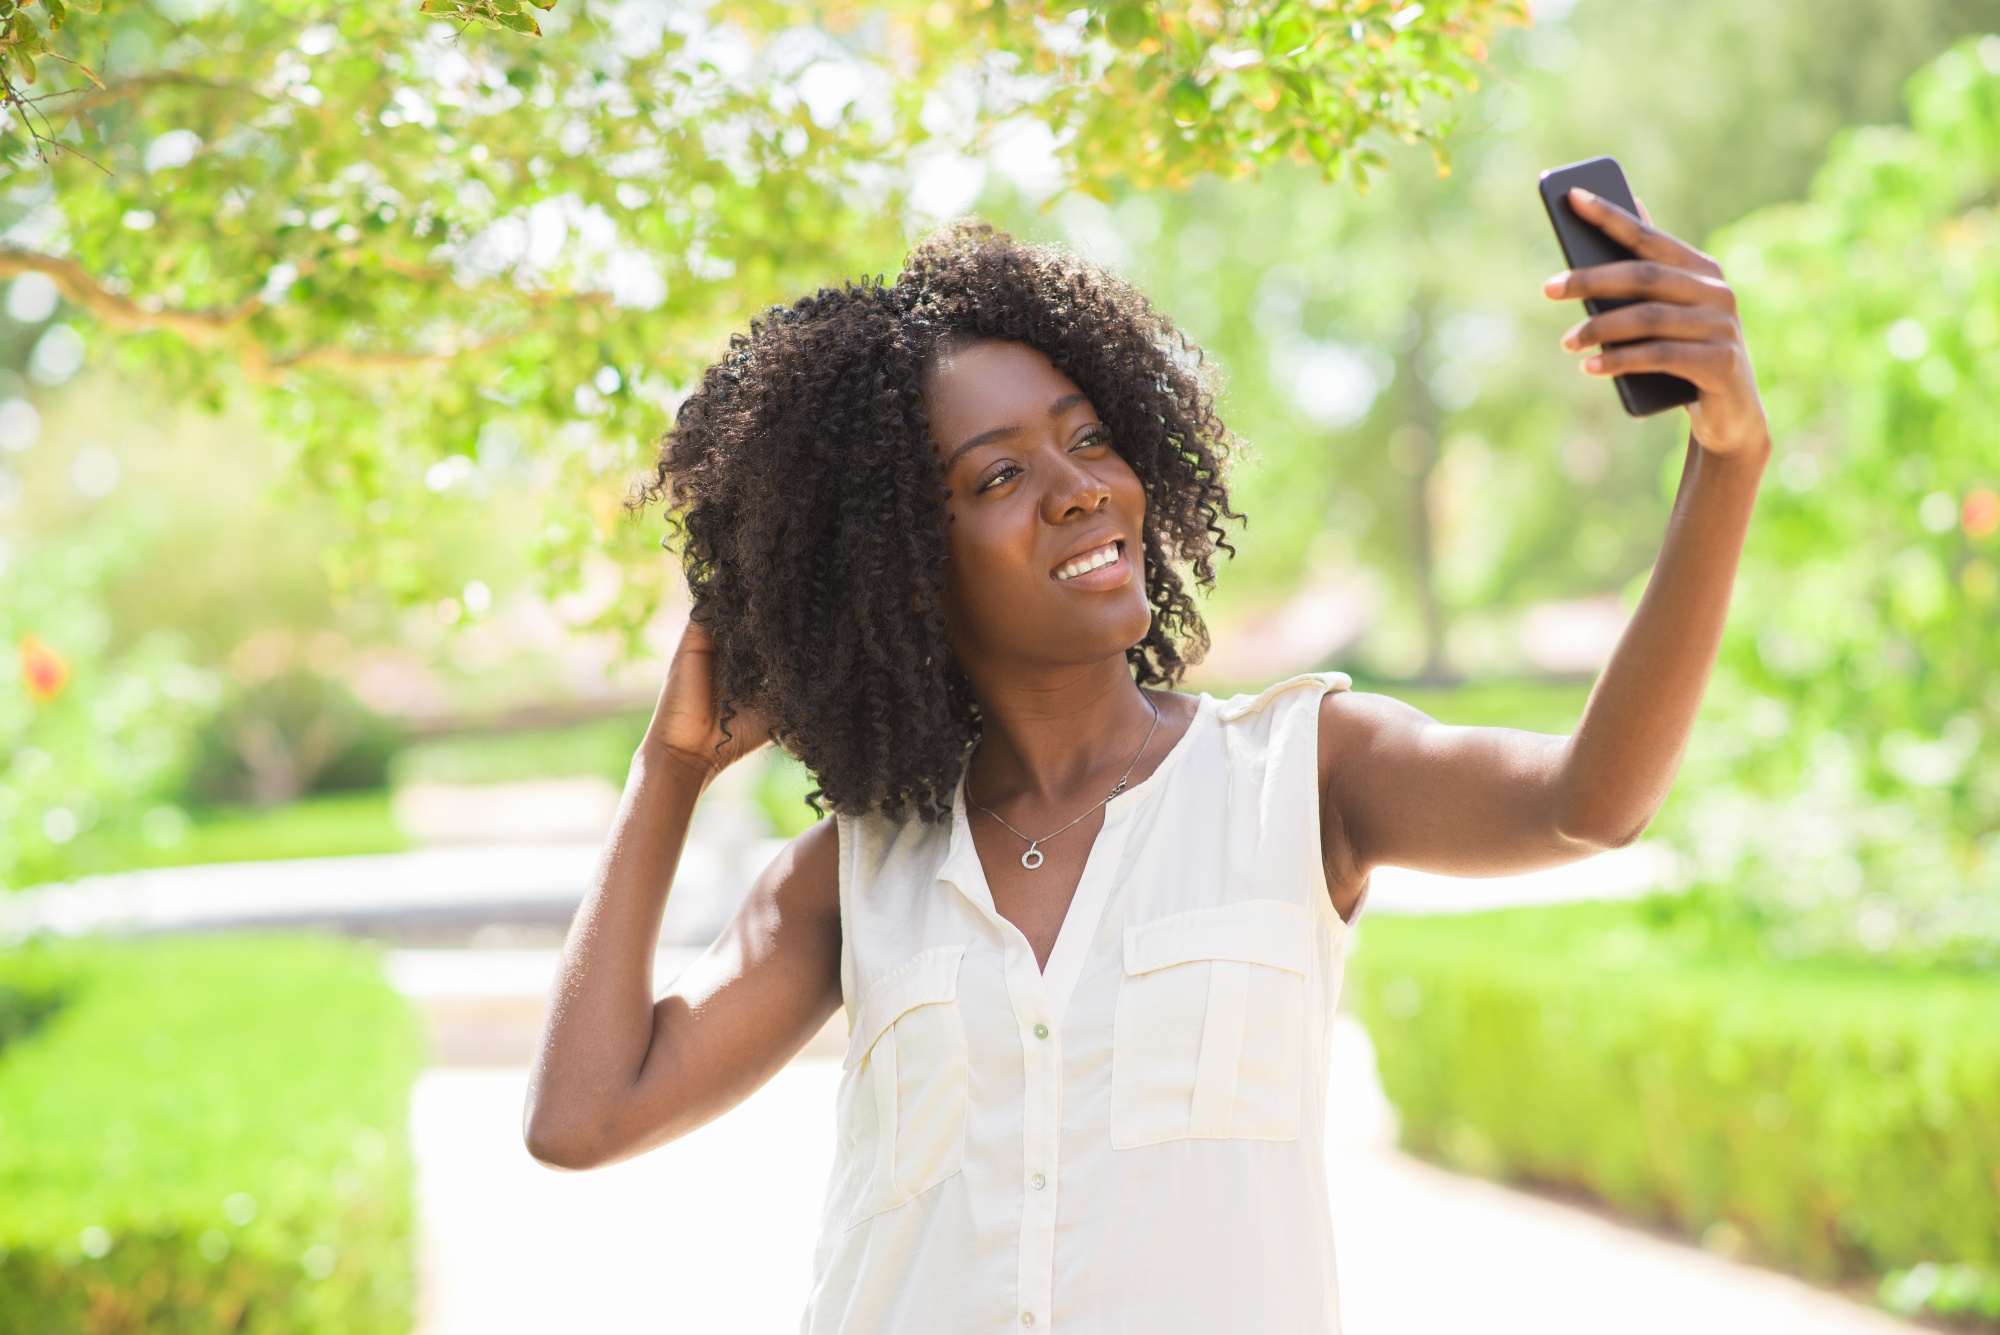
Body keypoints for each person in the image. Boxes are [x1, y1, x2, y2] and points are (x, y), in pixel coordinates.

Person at [524, 193, 1769, 1332]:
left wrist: (1722, 461)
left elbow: (1587, 804)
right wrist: (672, 768)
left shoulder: (1302, 769)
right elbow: (583, 1119)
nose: (1076, 491)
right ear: (902, 563)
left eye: (1087, 440)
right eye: (998, 474)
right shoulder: (852, 871)